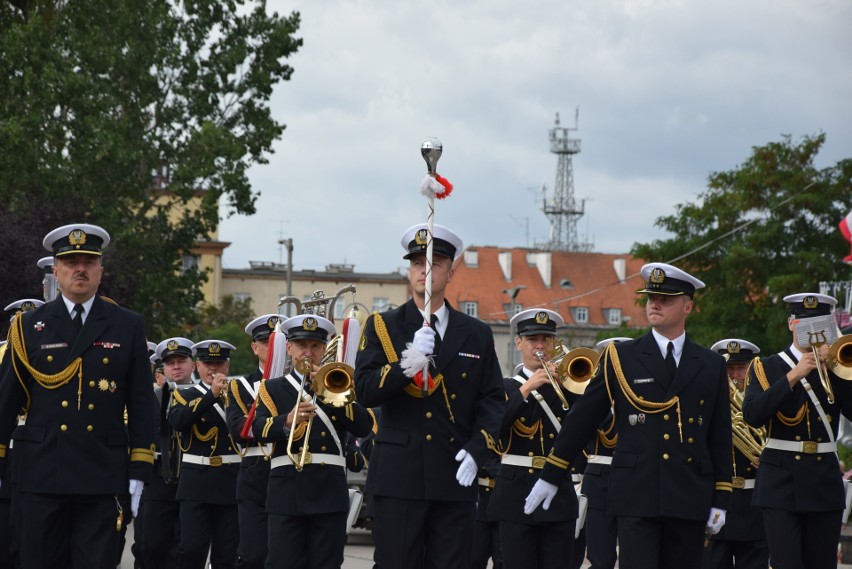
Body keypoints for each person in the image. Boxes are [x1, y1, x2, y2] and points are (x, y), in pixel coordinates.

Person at [524, 262, 733, 569]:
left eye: (666, 299)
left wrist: (722, 497)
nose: (655, 304)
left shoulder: (710, 363)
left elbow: (719, 434)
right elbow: (583, 418)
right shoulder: (621, 357)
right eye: (651, 298)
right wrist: (552, 475)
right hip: (638, 492)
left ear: (688, 306)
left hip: (689, 493)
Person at [0, 223, 156, 569]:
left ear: (100, 270)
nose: (79, 269)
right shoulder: (28, 326)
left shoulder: (126, 324)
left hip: (102, 474)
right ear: (56, 270)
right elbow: (6, 401)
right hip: (41, 472)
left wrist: (139, 471)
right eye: (70, 262)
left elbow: (142, 403)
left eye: (88, 261)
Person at [354, 223, 505, 569]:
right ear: (409, 271)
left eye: (435, 263)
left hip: (453, 473)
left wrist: (477, 450)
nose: (425, 270)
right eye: (417, 263)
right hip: (398, 478)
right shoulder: (382, 325)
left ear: (450, 272)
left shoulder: (476, 334)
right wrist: (405, 365)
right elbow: (363, 390)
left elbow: (493, 400)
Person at [253, 314, 373, 569]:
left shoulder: (341, 384)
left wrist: (331, 393)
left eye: (315, 346)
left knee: (326, 564)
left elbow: (362, 425)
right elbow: (255, 428)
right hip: (286, 491)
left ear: (325, 348)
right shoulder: (272, 388)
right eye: (302, 345)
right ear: (289, 348)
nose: (308, 352)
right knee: (282, 563)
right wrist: (285, 421)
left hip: (328, 491)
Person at [743, 293, 852, 569]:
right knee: (786, 563)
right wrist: (793, 376)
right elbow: (753, 415)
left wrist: (840, 371)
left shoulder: (837, 367)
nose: (812, 330)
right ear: (791, 323)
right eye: (804, 322)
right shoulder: (766, 366)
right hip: (780, 481)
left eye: (820, 323)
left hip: (823, 481)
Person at [488, 308, 579, 568]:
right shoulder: (504, 387)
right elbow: (494, 427)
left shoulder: (568, 387)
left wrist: (567, 387)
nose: (540, 346)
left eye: (546, 339)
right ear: (519, 343)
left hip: (558, 493)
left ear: (554, 343)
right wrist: (527, 389)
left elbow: (587, 427)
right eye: (532, 340)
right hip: (515, 494)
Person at [168, 339, 240, 569]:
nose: (213, 369)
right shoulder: (185, 394)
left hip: (230, 480)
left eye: (219, 363)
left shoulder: (239, 396)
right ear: (198, 366)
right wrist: (211, 395)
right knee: (191, 550)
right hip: (196, 482)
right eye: (208, 363)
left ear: (227, 367)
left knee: (227, 554)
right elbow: (178, 422)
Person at [702, 339, 768, 569]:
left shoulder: (764, 403)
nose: (735, 376)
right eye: (729, 369)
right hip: (718, 503)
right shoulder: (705, 406)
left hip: (754, 503)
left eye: (741, 368)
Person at [226, 314, 281, 569]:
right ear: (255, 347)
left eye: (278, 341)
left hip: (289, 470)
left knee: (283, 555)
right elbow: (238, 430)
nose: (273, 347)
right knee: (252, 555)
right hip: (254, 473)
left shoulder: (300, 383)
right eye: (266, 342)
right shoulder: (240, 386)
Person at [141, 337, 196, 569]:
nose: (176, 366)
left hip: (193, 475)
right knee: (150, 544)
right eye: (170, 362)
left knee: (186, 546)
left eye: (181, 360)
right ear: (162, 368)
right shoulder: (151, 397)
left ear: (193, 364)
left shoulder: (205, 394)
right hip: (158, 476)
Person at [580, 337, 632, 569]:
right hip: (599, 478)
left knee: (636, 555)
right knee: (601, 557)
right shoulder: (591, 396)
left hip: (635, 478)